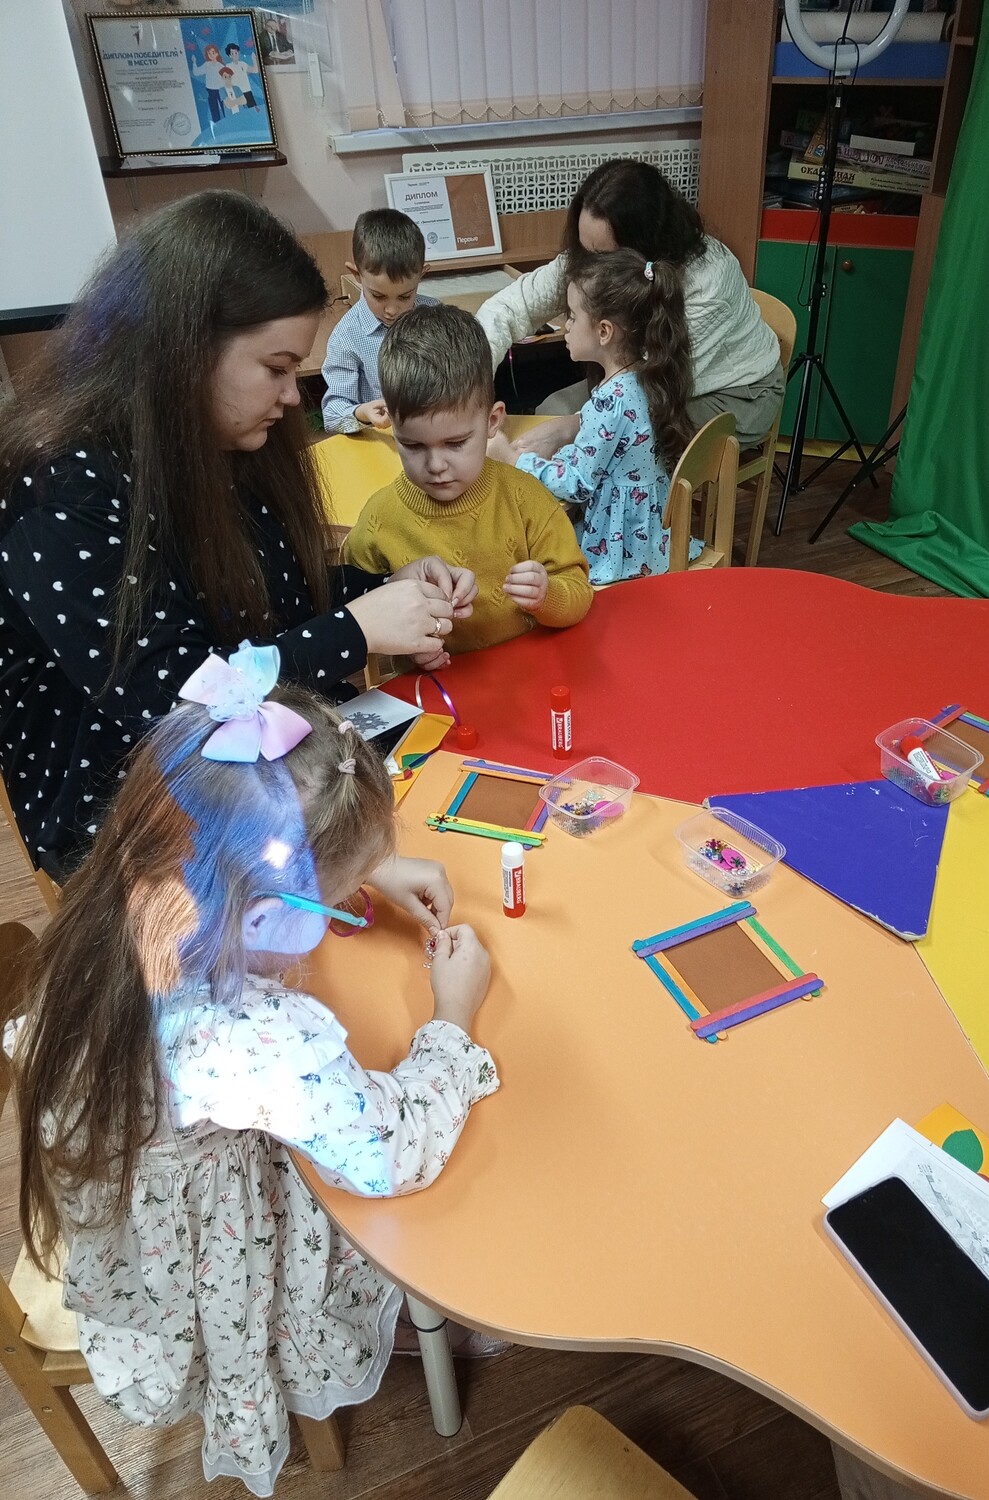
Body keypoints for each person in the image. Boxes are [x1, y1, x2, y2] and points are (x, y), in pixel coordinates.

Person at [12, 648, 499, 1497]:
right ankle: (378, 1329)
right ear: (265, 915)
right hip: (208, 1247)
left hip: (128, 1175)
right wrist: (452, 1017)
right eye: (332, 897)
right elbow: (388, 1153)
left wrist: (358, 865)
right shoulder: (250, 1041)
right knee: (400, 1222)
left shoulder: (123, 889)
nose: (343, 904)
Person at [0, 190, 476, 882]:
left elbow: (270, 596)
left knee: (457, 805)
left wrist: (380, 592)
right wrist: (354, 630)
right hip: (131, 811)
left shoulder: (225, 443)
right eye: (276, 368)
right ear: (185, 351)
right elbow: (169, 697)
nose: (291, 396)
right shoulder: (63, 484)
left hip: (263, 754)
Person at [475, 158, 784, 454]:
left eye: (602, 255)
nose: (589, 263)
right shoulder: (595, 249)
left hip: (732, 394)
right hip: (640, 382)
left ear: (642, 245)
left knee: (625, 451)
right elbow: (510, 307)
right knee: (552, 411)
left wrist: (571, 428)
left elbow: (649, 387)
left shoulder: (709, 284)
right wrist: (469, 388)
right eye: (584, 248)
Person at [343, 304, 594, 666]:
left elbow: (579, 596)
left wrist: (547, 595)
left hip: (530, 679)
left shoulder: (525, 498)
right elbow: (355, 625)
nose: (435, 465)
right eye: (413, 445)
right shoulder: (378, 520)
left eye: (456, 443)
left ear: (493, 421)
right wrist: (409, 650)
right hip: (433, 691)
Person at [487, 249, 694, 585]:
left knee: (528, 549)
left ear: (604, 332)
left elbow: (577, 485)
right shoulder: (645, 375)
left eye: (571, 316)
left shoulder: (610, 401)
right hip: (647, 532)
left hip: (620, 546)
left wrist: (512, 459)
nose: (565, 327)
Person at [321, 208, 439, 435]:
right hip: (381, 441)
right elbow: (332, 415)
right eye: (378, 296)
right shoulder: (346, 336)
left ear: (422, 274)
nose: (391, 310)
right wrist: (362, 413)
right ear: (356, 275)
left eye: (405, 296)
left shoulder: (435, 317)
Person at [191, 42, 226, 125]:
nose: (211, 55)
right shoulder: (207, 65)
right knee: (214, 110)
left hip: (221, 90)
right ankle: (217, 126)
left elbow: (226, 78)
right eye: (209, 53)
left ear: (217, 53)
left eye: (213, 53)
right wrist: (194, 62)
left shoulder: (221, 66)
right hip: (211, 91)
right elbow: (196, 72)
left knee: (225, 108)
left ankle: (227, 124)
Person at [223, 41, 261, 112]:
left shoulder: (243, 64)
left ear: (238, 53)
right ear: (230, 56)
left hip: (247, 90)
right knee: (239, 111)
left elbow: (255, 70)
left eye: (236, 53)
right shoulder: (228, 66)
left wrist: (254, 60)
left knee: (253, 110)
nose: (235, 55)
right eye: (232, 53)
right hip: (237, 93)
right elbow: (227, 82)